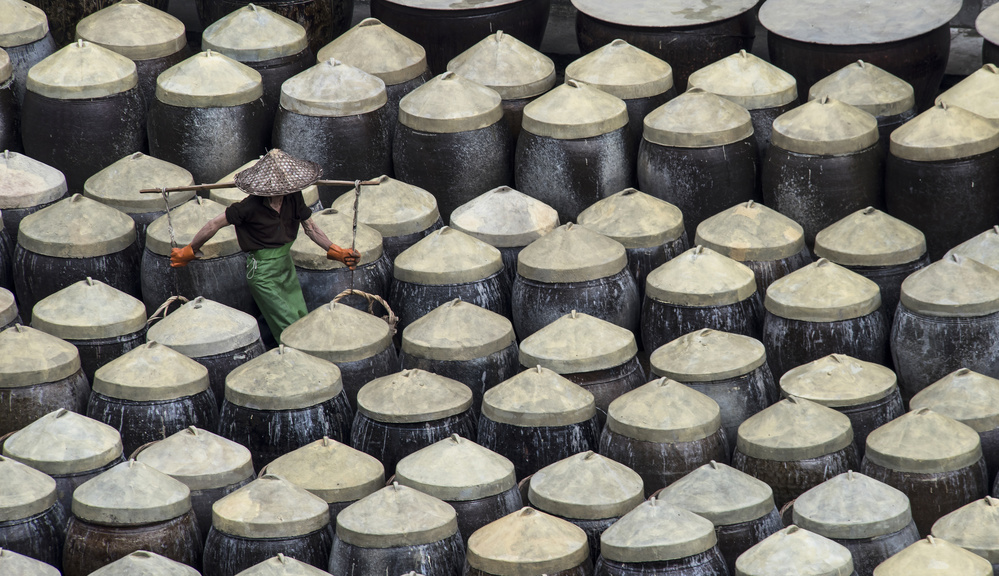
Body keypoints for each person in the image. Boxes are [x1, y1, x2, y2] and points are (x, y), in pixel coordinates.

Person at [169, 149, 360, 342]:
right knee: (288, 323)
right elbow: (214, 224)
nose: (283, 191)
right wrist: (190, 250)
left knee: (301, 318)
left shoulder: (294, 197)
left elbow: (311, 229)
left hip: (286, 267)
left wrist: (337, 251)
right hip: (263, 273)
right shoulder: (249, 207)